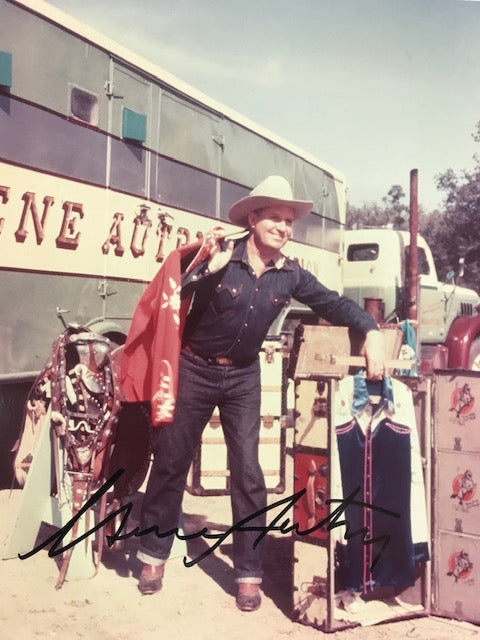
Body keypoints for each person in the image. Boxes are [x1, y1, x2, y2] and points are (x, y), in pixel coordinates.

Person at [135, 175, 384, 611]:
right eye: (275, 218)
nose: (284, 228)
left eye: (289, 221)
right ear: (253, 219)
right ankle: (153, 555)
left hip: (243, 378)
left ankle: (248, 573)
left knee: (249, 471)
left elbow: (333, 303)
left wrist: (370, 329)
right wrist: (202, 273)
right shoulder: (220, 258)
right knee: (172, 460)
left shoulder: (290, 275)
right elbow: (173, 294)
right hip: (194, 368)